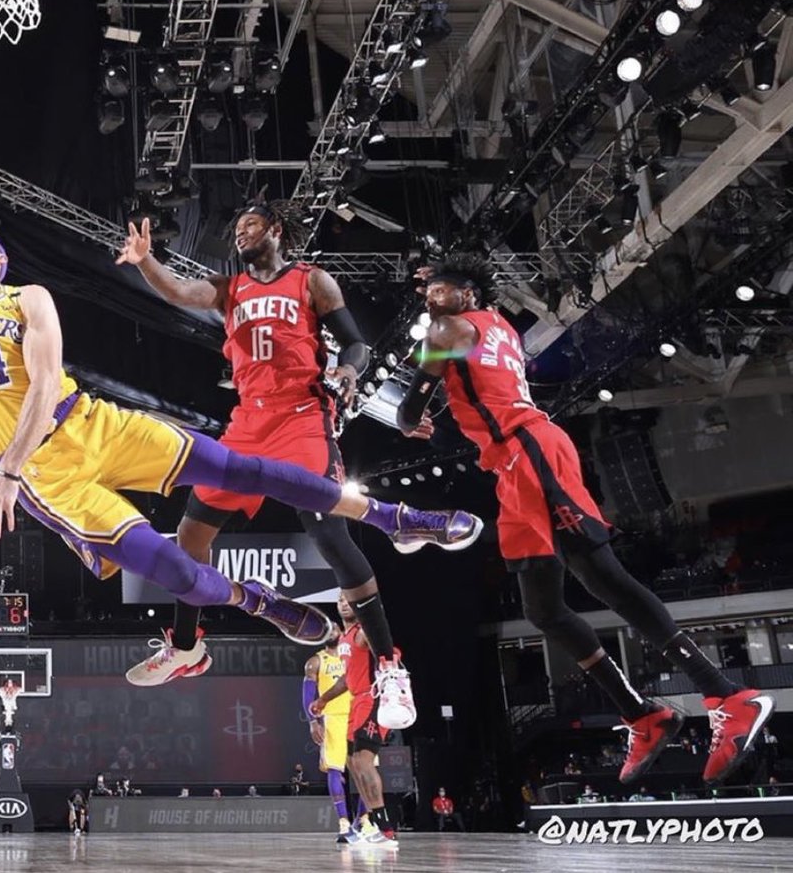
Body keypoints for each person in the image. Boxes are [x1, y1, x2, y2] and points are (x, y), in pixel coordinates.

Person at [0, 99, 470, 657]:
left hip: (92, 425)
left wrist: (4, 472)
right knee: (172, 569)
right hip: (49, 475)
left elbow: (43, 384)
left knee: (242, 470)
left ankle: (396, 517)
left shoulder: (28, 299)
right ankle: (257, 601)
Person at [395, 253, 774, 786]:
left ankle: (726, 695)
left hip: (530, 452)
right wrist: (437, 281)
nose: (433, 299)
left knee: (605, 579)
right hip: (513, 464)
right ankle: (642, 715)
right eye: (429, 293)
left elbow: (409, 409)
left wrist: (409, 415)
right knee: (543, 609)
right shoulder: (497, 325)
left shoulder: (449, 328)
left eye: (442, 290)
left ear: (469, 293)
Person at [119, 208, 480, 719]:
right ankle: (186, 647)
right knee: (191, 536)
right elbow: (178, 290)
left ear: (275, 230)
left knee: (331, 537)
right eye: (236, 229)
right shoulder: (228, 288)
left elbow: (355, 342)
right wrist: (145, 261)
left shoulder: (312, 281)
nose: (240, 234)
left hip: (301, 418)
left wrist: (349, 371)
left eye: (249, 226)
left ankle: (389, 667)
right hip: (248, 422)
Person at [311, 596, 402, 848]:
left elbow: (388, 651)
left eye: (347, 599)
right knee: (352, 762)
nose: (343, 602)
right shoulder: (344, 640)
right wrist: (323, 700)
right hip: (355, 700)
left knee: (363, 760)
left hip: (372, 698)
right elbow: (346, 679)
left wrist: (390, 663)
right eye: (339, 599)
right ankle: (366, 825)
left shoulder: (363, 633)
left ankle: (384, 828)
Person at [305, 636, 352, 841]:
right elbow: (308, 696)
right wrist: (312, 721)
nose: (332, 628)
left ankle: (365, 821)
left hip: (356, 715)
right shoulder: (316, 661)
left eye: (335, 625)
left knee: (366, 769)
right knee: (334, 769)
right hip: (333, 718)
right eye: (328, 627)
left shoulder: (352, 656)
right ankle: (344, 823)